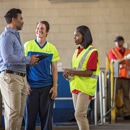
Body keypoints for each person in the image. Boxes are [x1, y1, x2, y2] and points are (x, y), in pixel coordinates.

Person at [0, 8, 39, 130]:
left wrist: (29, 62)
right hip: (11, 77)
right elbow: (8, 58)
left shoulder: (15, 37)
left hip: (20, 77)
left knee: (19, 114)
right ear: (14, 20)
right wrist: (28, 60)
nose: (22, 21)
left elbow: (17, 58)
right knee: (13, 113)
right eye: (20, 18)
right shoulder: (6, 36)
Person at [24, 21, 60, 130]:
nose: (39, 30)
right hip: (31, 87)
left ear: (47, 31)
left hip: (47, 87)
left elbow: (54, 69)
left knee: (46, 119)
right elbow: (23, 67)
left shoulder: (52, 48)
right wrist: (25, 84)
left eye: (42, 28)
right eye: (38, 28)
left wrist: (55, 87)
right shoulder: (28, 45)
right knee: (30, 119)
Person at [63, 25, 100, 130]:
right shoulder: (76, 51)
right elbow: (76, 70)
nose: (74, 37)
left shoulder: (92, 51)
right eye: (74, 35)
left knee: (79, 115)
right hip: (75, 87)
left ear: (84, 36)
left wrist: (71, 71)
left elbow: (89, 72)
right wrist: (68, 74)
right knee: (80, 115)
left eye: (76, 35)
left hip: (85, 88)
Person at [108, 36, 130, 120]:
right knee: (113, 95)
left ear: (122, 42)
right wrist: (125, 58)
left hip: (126, 77)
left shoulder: (128, 51)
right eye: (116, 41)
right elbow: (114, 61)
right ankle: (114, 113)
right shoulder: (112, 51)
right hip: (116, 77)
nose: (117, 43)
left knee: (126, 96)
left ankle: (127, 113)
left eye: (119, 41)